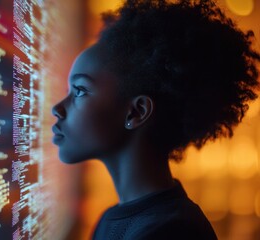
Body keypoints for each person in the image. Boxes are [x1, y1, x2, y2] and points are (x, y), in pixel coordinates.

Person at [51, 0, 260, 239]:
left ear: (136, 112)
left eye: (79, 91)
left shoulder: (173, 232)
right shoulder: (115, 219)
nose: (57, 109)